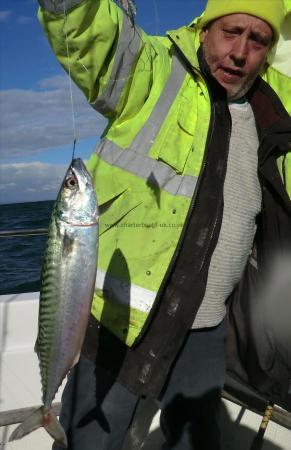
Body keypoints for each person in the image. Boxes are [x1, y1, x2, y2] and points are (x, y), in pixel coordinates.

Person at [37, 0, 291, 448]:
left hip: (208, 330)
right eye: (231, 31)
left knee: (199, 441)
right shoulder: (151, 70)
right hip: (118, 329)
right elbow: (84, 25)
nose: (240, 52)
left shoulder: (275, 107)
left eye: (258, 40)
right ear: (203, 30)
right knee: (93, 441)